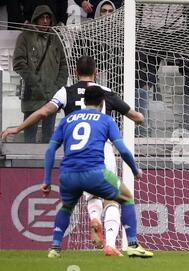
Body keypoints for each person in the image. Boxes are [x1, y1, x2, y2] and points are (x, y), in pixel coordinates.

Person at [2, 56, 144, 256]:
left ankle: (88, 222)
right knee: (113, 198)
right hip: (102, 148)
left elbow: (43, 113)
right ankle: (112, 244)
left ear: (75, 72)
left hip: (75, 154)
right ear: (96, 71)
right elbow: (135, 116)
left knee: (88, 196)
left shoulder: (65, 92)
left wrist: (19, 128)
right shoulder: (106, 93)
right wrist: (140, 119)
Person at [43, 86, 153, 258]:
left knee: (67, 207)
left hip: (68, 174)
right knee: (125, 197)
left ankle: (55, 248)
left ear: (84, 101)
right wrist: (135, 169)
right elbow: (123, 150)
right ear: (102, 102)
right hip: (95, 172)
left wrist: (46, 180)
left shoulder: (68, 119)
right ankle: (132, 244)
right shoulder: (106, 120)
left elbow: (50, 150)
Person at [13, 5, 68, 143]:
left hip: (51, 96)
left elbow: (64, 65)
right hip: (32, 95)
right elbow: (18, 63)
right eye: (42, 18)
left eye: (48, 18)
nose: (45, 21)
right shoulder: (25, 37)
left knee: (49, 139)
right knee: (29, 137)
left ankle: (47, 165)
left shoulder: (56, 38)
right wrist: (35, 84)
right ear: (36, 19)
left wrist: (57, 87)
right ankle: (27, 164)